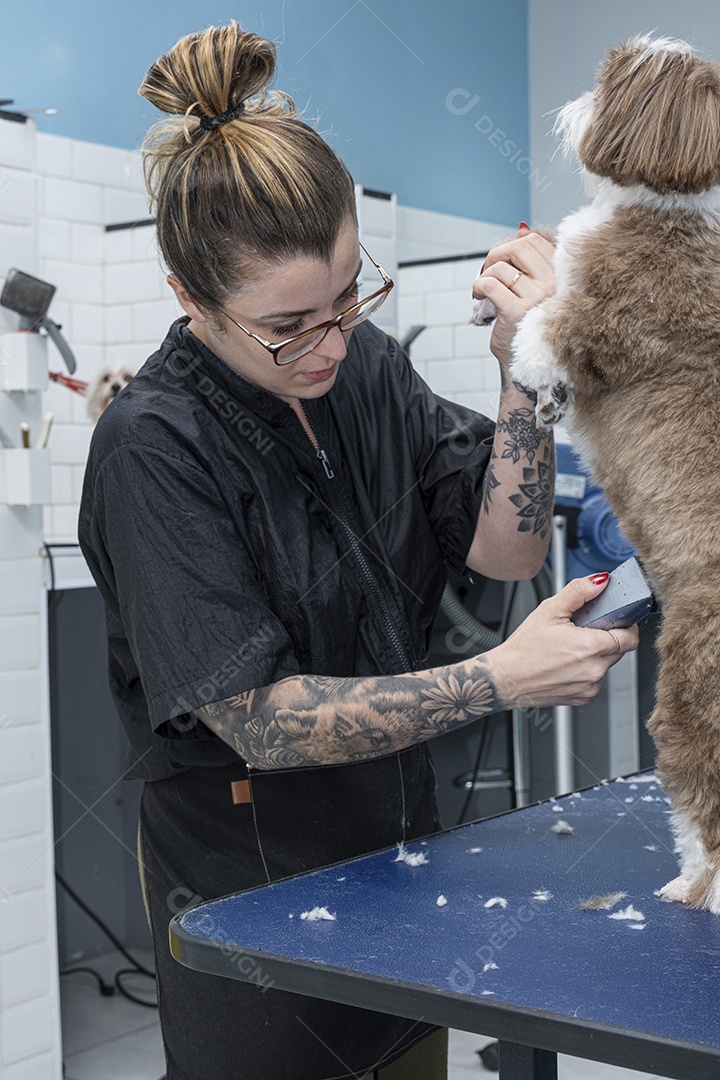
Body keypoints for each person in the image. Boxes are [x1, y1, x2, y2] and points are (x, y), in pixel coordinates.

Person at [78, 21, 638, 1080]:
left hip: (396, 850)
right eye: (291, 325)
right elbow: (259, 722)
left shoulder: (362, 366)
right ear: (188, 297)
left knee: (406, 1056)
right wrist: (496, 680)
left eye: (349, 296)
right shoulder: (152, 445)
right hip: (252, 896)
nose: (333, 343)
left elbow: (506, 553)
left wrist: (527, 376)